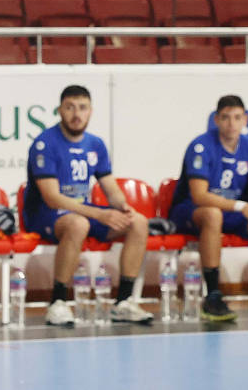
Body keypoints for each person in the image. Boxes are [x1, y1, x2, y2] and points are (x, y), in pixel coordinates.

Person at [22, 85, 154, 327]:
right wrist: (99, 214)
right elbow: (52, 198)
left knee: (138, 222)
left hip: (82, 210)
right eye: (70, 107)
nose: (76, 114)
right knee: (78, 223)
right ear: (60, 110)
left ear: (91, 111)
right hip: (45, 213)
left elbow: (110, 189)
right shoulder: (45, 143)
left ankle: (124, 302)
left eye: (82, 108)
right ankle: (58, 303)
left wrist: (123, 206)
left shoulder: (96, 144)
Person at [167, 94, 248, 322]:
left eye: (237, 118)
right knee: (212, 214)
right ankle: (213, 297)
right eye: (226, 118)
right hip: (191, 210)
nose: (232, 124)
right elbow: (199, 196)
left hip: (234, 212)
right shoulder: (200, 145)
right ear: (216, 120)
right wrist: (242, 206)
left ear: (245, 119)